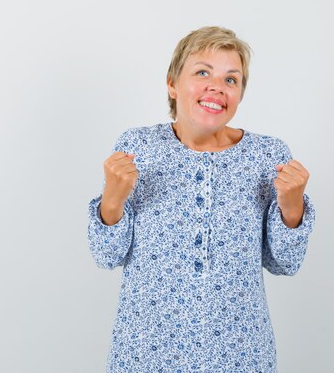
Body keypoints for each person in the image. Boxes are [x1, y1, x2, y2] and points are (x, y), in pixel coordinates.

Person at [87, 26, 316, 373]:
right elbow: (105, 256)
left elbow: (284, 263)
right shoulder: (138, 148)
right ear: (172, 84)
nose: (217, 86)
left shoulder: (268, 155)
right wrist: (112, 201)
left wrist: (292, 206)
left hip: (240, 354)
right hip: (146, 352)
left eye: (231, 79)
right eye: (202, 72)